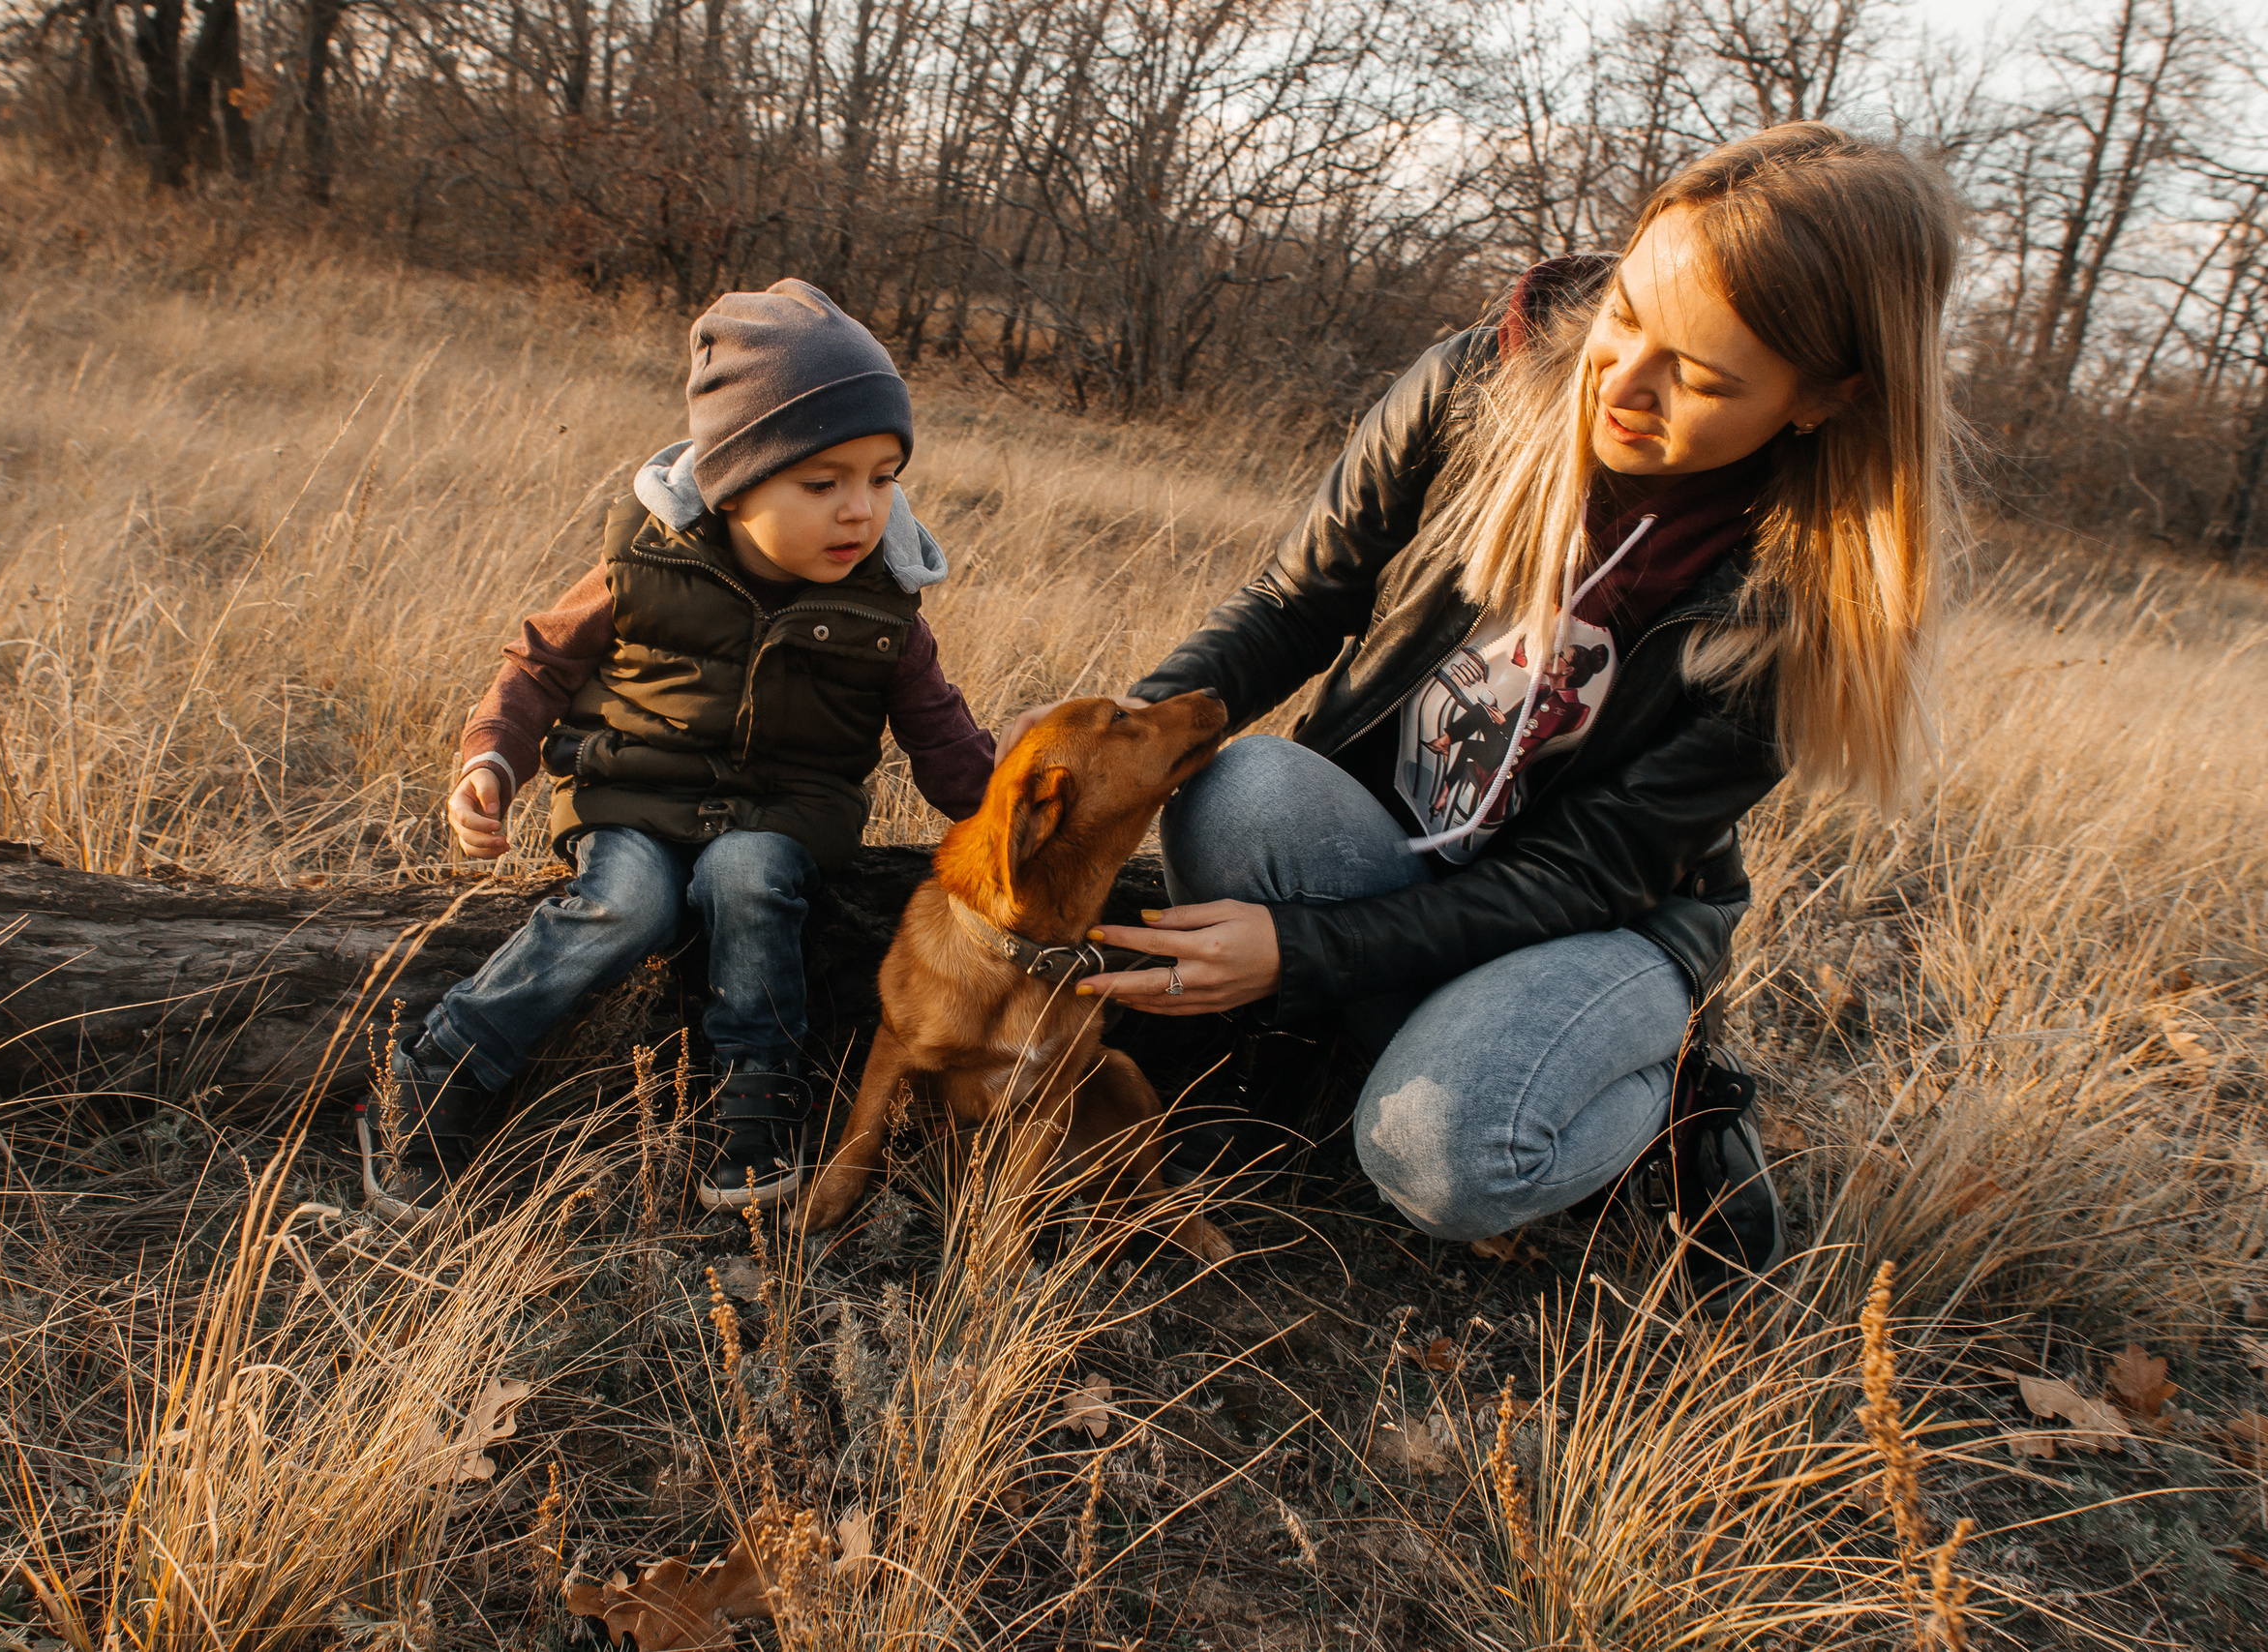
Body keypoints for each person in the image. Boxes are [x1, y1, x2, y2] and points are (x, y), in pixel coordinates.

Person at [1011, 123, 1962, 1299]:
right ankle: (1384, 1039)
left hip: (1585, 927)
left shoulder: (1810, 600)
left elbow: (1583, 871)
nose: (1622, 385)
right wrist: (1115, 738)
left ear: (1827, 399)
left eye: (1704, 379)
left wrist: (1303, 949)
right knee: (1241, 790)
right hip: (1381, 848)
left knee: (1444, 1160)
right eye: (1626, 316)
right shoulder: (1478, 386)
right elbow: (1298, 600)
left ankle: (1661, 1095)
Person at [377, 279, 995, 1217]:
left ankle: (755, 1097)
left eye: (883, 477)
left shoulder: (881, 603)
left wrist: (1001, 813)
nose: (860, 511)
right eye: (822, 483)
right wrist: (493, 760)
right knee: (627, 904)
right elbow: (539, 663)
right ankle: (438, 1074)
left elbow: (939, 732)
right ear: (737, 479)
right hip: (633, 796)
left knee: (748, 879)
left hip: (785, 812)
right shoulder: (649, 558)